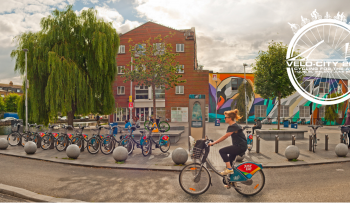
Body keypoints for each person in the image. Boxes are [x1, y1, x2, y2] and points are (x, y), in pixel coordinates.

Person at [208, 109, 247, 176]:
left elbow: (225, 136)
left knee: (222, 151)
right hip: (240, 146)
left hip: (240, 146)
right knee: (230, 161)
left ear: (230, 118)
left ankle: (229, 169)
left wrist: (214, 143)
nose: (224, 118)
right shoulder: (234, 126)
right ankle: (231, 181)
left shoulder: (233, 126)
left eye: (225, 117)